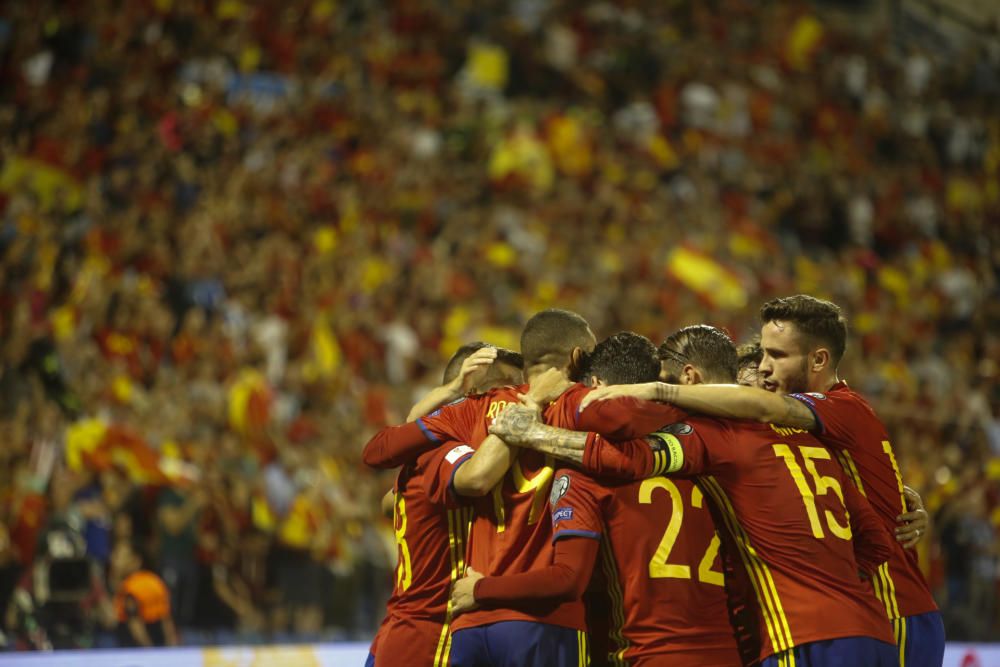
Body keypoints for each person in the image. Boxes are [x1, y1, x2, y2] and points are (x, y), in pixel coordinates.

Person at [492, 325, 899, 666]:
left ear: (687, 379)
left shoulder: (708, 436)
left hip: (796, 633)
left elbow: (629, 460)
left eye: (664, 381)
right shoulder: (808, 440)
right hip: (871, 631)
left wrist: (534, 433)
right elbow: (878, 540)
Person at [583, 295, 943, 666]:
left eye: (776, 356)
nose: (766, 370)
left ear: (818, 359)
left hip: (887, 603)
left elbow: (762, 408)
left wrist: (658, 391)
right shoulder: (811, 430)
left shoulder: (836, 408)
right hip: (872, 616)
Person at [450, 332, 741, 666]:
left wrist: (481, 589)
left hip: (645, 652)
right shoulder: (719, 456)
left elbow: (567, 577)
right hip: (733, 649)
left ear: (598, 386)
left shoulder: (589, 474)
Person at [366, 343, 523, 667]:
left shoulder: (428, 453)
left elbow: (389, 503)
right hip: (430, 637)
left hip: (405, 631)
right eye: (506, 389)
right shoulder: (445, 452)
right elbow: (475, 479)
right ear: (474, 394)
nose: (513, 399)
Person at [110, 540, 178, 648]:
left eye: (120, 557)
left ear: (136, 561)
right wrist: (171, 647)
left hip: (136, 649)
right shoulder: (155, 581)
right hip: (161, 644)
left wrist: (148, 650)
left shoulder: (131, 586)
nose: (114, 560)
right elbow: (166, 620)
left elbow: (135, 623)